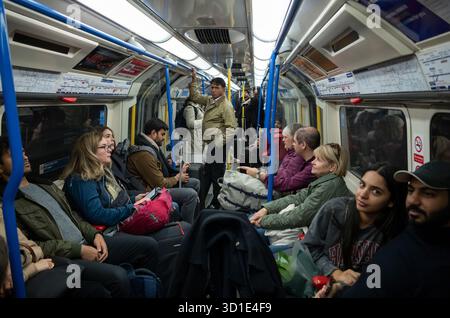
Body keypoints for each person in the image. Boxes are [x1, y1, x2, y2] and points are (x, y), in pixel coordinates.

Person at [0, 137, 159, 297]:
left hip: (88, 240)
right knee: (118, 278)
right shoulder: (9, 204)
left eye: (23, 152)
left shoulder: (45, 185)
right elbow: (35, 245)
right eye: (14, 155)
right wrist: (79, 250)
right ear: (0, 167)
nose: (25, 157)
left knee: (149, 246)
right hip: (64, 257)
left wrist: (94, 234)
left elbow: (72, 215)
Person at [303, 163, 407, 288]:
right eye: (362, 185)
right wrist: (336, 273)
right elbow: (309, 247)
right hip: (322, 285)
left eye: (376, 191)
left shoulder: (395, 230)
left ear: (391, 201)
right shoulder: (334, 210)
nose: (363, 194)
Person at [0, 213, 118, 298]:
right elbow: (8, 281)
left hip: (40, 266)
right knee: (115, 278)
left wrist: (94, 234)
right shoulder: (11, 201)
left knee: (96, 290)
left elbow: (32, 247)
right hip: (35, 271)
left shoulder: (46, 185)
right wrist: (33, 267)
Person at [250, 143, 351, 231]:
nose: (313, 162)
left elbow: (300, 216)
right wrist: (267, 209)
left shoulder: (329, 187)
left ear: (332, 167)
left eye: (318, 160)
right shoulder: (325, 182)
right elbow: (297, 198)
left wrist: (263, 221)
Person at [126, 119, 199, 223]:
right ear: (153, 133)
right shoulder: (144, 155)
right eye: (162, 134)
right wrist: (178, 177)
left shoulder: (153, 148)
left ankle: (194, 220)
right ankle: (187, 228)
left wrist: (170, 166)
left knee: (195, 183)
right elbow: (159, 184)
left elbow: (159, 169)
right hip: (151, 191)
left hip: (157, 185)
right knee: (191, 194)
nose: (164, 138)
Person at [189, 69, 237, 209]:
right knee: (207, 175)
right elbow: (195, 97)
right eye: (212, 87)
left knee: (216, 177)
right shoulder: (210, 100)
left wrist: (217, 144)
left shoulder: (226, 106)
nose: (214, 90)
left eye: (217, 87)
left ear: (223, 89)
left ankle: (216, 205)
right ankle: (203, 204)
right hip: (209, 145)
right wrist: (194, 80)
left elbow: (231, 129)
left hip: (218, 147)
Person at [239, 123, 315, 194]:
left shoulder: (298, 158)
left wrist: (259, 175)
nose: (283, 140)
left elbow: (285, 183)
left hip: (277, 190)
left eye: (285, 137)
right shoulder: (291, 153)